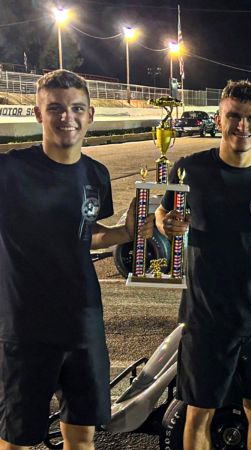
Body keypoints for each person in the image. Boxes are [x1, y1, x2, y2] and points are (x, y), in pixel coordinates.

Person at [155, 79, 251, 450]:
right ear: (219, 118)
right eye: (234, 116)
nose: (242, 125)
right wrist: (167, 224)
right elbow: (165, 212)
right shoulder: (190, 170)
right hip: (205, 315)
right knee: (199, 413)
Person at [0, 69, 152, 450]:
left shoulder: (96, 174)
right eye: (55, 108)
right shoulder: (10, 170)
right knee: (17, 439)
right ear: (38, 114)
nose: (67, 117)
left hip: (83, 325)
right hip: (25, 327)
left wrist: (127, 232)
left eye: (76, 108)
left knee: (83, 437)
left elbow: (86, 233)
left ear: (90, 114)